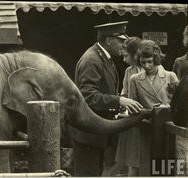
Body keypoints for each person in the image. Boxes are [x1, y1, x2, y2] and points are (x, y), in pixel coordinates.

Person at [71, 21, 143, 176]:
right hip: (88, 135)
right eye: (121, 41)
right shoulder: (92, 59)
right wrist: (119, 101)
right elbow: (88, 96)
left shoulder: (103, 58)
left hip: (96, 133)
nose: (124, 45)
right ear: (109, 40)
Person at [125, 40, 178, 176]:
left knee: (165, 168)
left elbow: (179, 106)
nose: (147, 66)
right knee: (145, 168)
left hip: (166, 130)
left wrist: (165, 109)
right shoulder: (134, 79)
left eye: (150, 61)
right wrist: (150, 112)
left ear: (157, 59)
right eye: (143, 63)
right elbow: (133, 108)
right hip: (145, 130)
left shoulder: (170, 76)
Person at [115, 37, 143, 175]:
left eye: (126, 56)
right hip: (132, 120)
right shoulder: (128, 72)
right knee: (132, 161)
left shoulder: (149, 69)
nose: (124, 60)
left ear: (135, 54)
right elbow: (125, 94)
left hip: (145, 119)